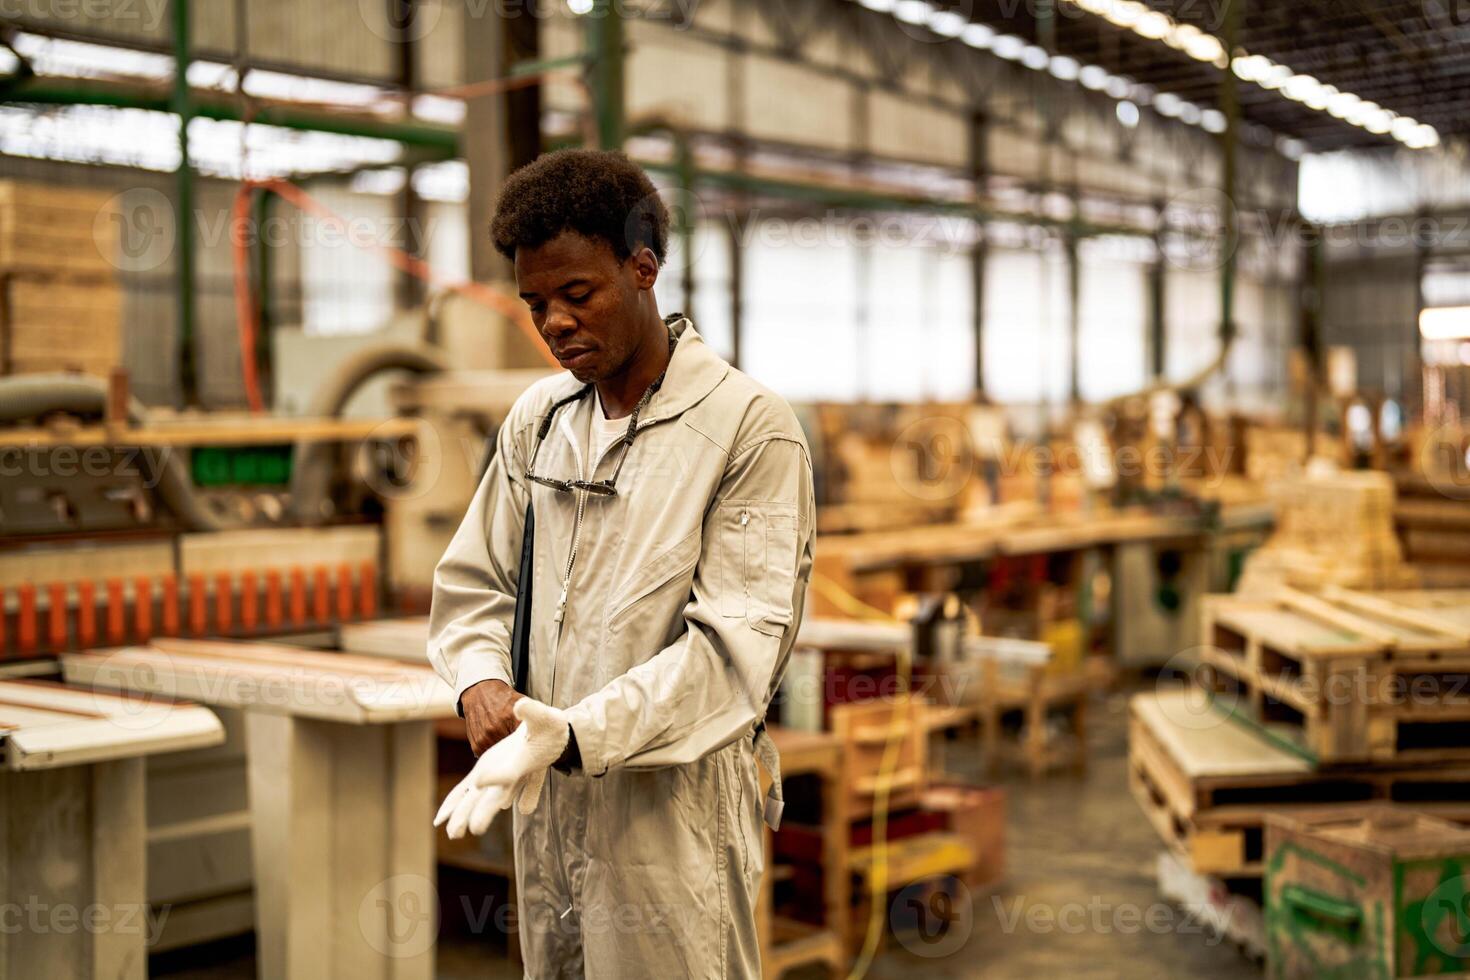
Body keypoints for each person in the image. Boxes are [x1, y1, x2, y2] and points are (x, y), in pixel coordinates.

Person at [427, 148, 816, 979]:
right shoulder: (539, 421)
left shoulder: (747, 428)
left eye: (577, 295)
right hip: (546, 803)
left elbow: (731, 658)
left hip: (668, 820)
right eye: (537, 304)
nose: (556, 323)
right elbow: (476, 585)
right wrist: (479, 680)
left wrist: (575, 734)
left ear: (644, 269)